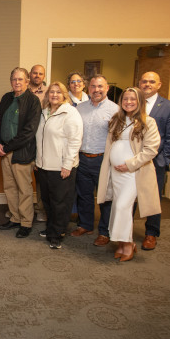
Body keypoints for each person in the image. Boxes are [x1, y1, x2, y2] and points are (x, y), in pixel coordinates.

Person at [97, 87, 161, 261]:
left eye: (133, 99)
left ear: (139, 101)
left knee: (122, 207)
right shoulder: (117, 120)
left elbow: (151, 150)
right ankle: (123, 243)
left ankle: (128, 244)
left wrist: (129, 165)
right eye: (125, 99)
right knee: (118, 207)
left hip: (134, 174)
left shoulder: (148, 122)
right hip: (115, 173)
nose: (129, 102)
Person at [72, 74, 119, 247]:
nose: (96, 90)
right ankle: (85, 225)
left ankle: (104, 232)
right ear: (88, 88)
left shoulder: (115, 110)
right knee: (84, 195)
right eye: (93, 86)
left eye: (100, 86)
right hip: (82, 158)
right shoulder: (80, 108)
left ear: (107, 88)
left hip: (103, 160)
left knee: (105, 197)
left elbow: (118, 138)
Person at [35, 82, 83, 249]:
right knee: (47, 201)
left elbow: (75, 141)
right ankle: (51, 227)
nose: (54, 95)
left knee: (60, 203)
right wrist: (38, 160)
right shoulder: (44, 112)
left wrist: (67, 165)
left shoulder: (70, 113)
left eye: (58, 92)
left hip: (61, 167)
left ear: (64, 95)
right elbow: (40, 138)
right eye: (51, 92)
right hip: (44, 166)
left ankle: (57, 234)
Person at [138, 71, 170, 250]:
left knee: (153, 198)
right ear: (139, 83)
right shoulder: (131, 102)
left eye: (151, 81)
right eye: (144, 81)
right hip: (132, 160)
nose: (147, 84)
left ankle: (151, 233)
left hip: (155, 161)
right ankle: (124, 232)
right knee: (129, 196)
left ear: (159, 85)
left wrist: (163, 159)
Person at [0, 67, 41, 238]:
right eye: (14, 79)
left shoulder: (33, 101)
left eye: (20, 79)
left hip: (21, 152)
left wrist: (7, 147)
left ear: (27, 81)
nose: (17, 82)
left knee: (24, 189)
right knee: (9, 188)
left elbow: (29, 131)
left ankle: (26, 222)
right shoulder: (6, 98)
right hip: (4, 152)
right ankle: (15, 218)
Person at [29, 64, 48, 223]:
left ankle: (41, 209)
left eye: (40, 74)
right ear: (30, 74)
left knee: (41, 179)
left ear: (44, 76)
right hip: (25, 140)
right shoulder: (22, 90)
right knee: (23, 178)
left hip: (42, 140)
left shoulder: (49, 93)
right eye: (35, 73)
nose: (37, 75)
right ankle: (24, 209)